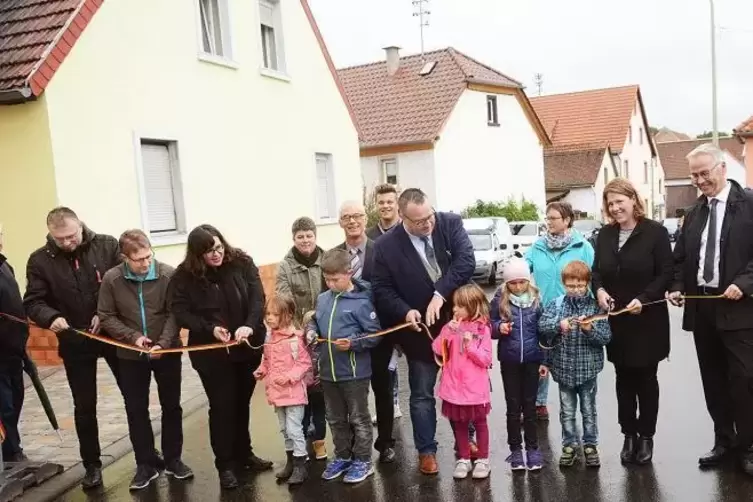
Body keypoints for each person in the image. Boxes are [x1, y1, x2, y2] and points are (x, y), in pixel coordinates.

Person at [371, 188, 475, 475]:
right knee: (421, 395)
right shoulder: (385, 246)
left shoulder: (449, 223)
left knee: (461, 389)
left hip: (457, 327)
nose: (428, 224)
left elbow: (466, 262)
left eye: (429, 216)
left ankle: (467, 444)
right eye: (419, 222)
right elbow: (381, 289)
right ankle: (426, 451)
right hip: (419, 333)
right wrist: (405, 310)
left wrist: (441, 294)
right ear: (403, 217)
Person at [667, 143, 753, 475]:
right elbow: (680, 260)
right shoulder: (693, 213)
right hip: (703, 310)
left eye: (704, 173)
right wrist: (676, 287)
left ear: (722, 168)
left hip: (741, 309)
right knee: (713, 380)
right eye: (694, 175)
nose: (700, 181)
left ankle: (748, 444)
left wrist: (744, 284)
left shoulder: (748, 205)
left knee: (744, 380)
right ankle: (724, 441)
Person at [23, 207, 122, 489]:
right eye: (60, 239)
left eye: (71, 236)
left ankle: (146, 454)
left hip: (111, 335)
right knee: (84, 406)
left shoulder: (107, 245)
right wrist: (51, 317)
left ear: (80, 225)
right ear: (51, 234)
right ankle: (92, 465)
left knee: (133, 396)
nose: (67, 242)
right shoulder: (40, 261)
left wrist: (105, 314)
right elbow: (33, 301)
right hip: (74, 340)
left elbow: (121, 285)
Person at [169, 225, 272, 490]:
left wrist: (249, 324)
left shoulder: (242, 262)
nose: (215, 255)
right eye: (207, 252)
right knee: (222, 406)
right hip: (213, 355)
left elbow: (257, 298)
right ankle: (225, 464)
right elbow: (180, 312)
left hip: (246, 345)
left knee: (242, 403)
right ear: (196, 254)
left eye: (218, 248)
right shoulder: (184, 276)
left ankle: (244, 453)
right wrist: (209, 328)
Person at [97, 230, 192, 490]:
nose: (146, 263)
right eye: (138, 259)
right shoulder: (112, 279)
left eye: (149, 256)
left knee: (171, 405)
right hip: (130, 355)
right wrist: (134, 337)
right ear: (125, 257)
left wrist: (163, 342)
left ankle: (173, 459)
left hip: (167, 351)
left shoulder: (168, 274)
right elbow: (106, 315)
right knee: (136, 409)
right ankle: (145, 463)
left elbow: (175, 313)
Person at [591, 179, 673, 465]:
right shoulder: (604, 235)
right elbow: (596, 272)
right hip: (618, 321)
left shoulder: (656, 233)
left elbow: (666, 273)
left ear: (633, 199)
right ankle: (628, 434)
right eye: (610, 203)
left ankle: (646, 436)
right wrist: (599, 290)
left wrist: (646, 298)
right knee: (622, 379)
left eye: (619, 201)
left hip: (647, 319)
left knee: (646, 380)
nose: (615, 208)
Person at [306, 248, 382, 484]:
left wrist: (353, 344)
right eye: (326, 279)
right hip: (328, 373)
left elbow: (375, 335)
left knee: (359, 418)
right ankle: (342, 456)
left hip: (354, 373)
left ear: (349, 273)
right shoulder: (323, 299)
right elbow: (316, 323)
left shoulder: (361, 302)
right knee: (335, 418)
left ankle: (363, 460)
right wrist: (310, 331)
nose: (330, 283)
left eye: (335, 279)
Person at [335, 201, 396, 463]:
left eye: (357, 216)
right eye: (346, 217)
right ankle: (352, 448)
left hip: (379, 334)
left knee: (382, 390)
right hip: (346, 339)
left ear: (364, 217)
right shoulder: (334, 255)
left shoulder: (381, 249)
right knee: (351, 395)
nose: (352, 221)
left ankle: (385, 443)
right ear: (340, 222)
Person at [525, 201, 594, 421]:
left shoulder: (582, 247)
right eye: (547, 218)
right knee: (541, 354)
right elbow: (522, 271)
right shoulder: (538, 247)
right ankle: (538, 403)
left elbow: (593, 278)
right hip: (545, 310)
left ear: (567, 220)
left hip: (574, 310)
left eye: (553, 218)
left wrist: (591, 308)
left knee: (570, 358)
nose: (549, 222)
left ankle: (577, 405)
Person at [538, 260, 611, 468]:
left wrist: (589, 329)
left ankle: (590, 445)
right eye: (571, 285)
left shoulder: (595, 306)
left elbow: (605, 337)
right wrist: (558, 325)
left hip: (588, 371)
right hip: (563, 370)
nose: (576, 289)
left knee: (589, 410)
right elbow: (543, 326)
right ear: (564, 284)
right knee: (567, 411)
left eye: (580, 285)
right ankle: (569, 444)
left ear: (588, 283)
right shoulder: (557, 304)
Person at [275, 217, 327, 460]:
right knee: (300, 389)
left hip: (323, 334)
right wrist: (298, 331)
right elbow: (283, 300)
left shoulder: (326, 259)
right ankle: (303, 433)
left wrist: (318, 321)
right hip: (296, 337)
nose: (305, 240)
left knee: (320, 389)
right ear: (293, 238)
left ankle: (320, 438)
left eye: (309, 235)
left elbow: (332, 293)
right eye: (300, 236)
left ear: (315, 236)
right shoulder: (285, 266)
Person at [431, 284, 492, 480]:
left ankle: (483, 459)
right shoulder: (450, 327)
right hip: (453, 387)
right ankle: (464, 458)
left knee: (480, 423)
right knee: (459, 424)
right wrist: (448, 332)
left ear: (473, 306)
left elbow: (486, 359)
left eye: (460, 306)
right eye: (454, 305)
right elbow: (437, 349)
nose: (455, 309)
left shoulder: (483, 330)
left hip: (475, 389)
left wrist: (470, 345)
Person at [490, 258, 546, 471]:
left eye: (522, 282)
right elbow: (488, 324)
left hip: (532, 360)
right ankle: (515, 450)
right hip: (510, 361)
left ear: (528, 281)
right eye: (513, 283)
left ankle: (532, 448)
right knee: (513, 407)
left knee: (530, 407)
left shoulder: (537, 300)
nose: (518, 286)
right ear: (506, 283)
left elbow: (544, 332)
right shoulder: (499, 299)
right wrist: (499, 328)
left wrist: (545, 361)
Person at [254, 295, 312, 485]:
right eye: (267, 314)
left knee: (294, 429)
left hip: (293, 393)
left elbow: (304, 363)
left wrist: (289, 377)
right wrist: (261, 370)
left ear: (286, 316)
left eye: (275, 314)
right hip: (277, 394)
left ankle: (300, 465)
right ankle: (290, 462)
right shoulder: (270, 338)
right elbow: (267, 360)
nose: (269, 318)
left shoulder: (295, 338)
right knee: (284, 429)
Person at [366, 185, 404, 423]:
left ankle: (396, 400)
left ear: (397, 203)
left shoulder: (405, 230)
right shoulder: (370, 235)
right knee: (385, 360)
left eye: (389, 202)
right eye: (381, 202)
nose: (385, 206)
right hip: (378, 306)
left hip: (404, 304)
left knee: (401, 354)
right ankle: (390, 400)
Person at [0, 224, 29, 463]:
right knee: (4, 404)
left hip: (14, 349)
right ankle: (10, 450)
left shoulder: (4, 266)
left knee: (17, 398)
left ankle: (12, 446)